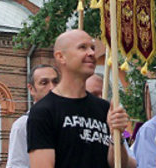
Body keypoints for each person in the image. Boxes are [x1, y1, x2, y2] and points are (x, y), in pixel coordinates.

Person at [27, 30, 137, 168]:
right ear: (61, 57)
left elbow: (120, 165)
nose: (91, 53)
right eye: (82, 47)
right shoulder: (43, 111)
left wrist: (116, 135)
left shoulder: (103, 108)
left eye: (92, 48)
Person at [7, 64, 60, 168]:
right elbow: (17, 165)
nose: (52, 87)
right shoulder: (23, 125)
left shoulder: (69, 119)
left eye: (55, 82)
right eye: (44, 83)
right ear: (31, 89)